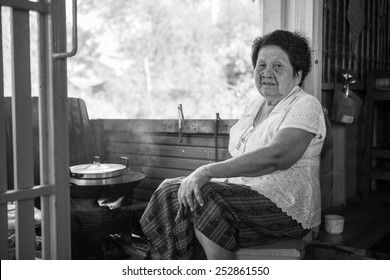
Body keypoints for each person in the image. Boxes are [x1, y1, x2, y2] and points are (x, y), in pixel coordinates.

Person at [140, 30, 327, 260]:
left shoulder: (305, 105)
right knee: (171, 190)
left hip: (285, 207)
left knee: (203, 196)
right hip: (243, 194)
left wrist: (207, 171)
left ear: (297, 75)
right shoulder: (254, 106)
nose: (267, 73)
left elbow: (277, 156)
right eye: (261, 65)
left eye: (278, 66)